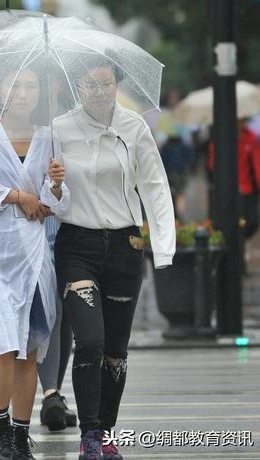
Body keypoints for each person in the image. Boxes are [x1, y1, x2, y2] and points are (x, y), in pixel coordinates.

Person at [51, 56, 175, 460]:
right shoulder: (59, 129)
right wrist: (51, 185)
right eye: (90, 84)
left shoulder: (133, 127)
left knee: (116, 351)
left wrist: (165, 246)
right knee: (89, 340)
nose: (99, 92)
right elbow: (41, 189)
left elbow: (154, 185)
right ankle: (89, 434)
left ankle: (105, 432)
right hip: (76, 247)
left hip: (125, 247)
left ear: (117, 85)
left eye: (106, 84)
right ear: (77, 88)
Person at [0, 67, 69, 460]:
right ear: (1, 88)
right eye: (14, 84)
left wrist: (55, 183)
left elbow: (57, 205)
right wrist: (18, 195)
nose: (22, 93)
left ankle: (21, 436)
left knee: (30, 349)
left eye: (31, 86)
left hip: (33, 258)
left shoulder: (49, 137)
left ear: (41, 92)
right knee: (3, 344)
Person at [36, 216, 77, 432]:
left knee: (65, 318)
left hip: (67, 241)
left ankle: (53, 397)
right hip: (32, 242)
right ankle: (50, 393)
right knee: (53, 314)